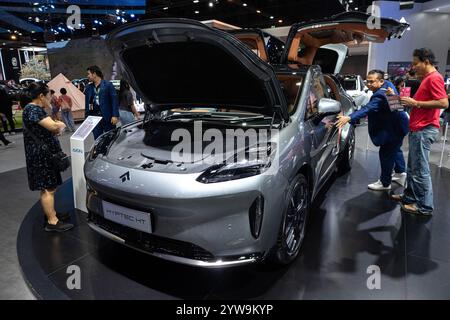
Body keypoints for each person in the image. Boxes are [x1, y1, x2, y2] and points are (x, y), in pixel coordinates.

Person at [391, 48, 449, 216]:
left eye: (416, 63)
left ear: (426, 62)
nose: (413, 66)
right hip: (419, 128)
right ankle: (409, 197)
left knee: (420, 170)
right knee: (413, 167)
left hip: (425, 129)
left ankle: (424, 206)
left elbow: (443, 103)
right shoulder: (428, 78)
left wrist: (415, 103)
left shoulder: (434, 78)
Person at [336, 69, 409, 191]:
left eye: (371, 82)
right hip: (399, 126)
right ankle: (400, 173)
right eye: (367, 81)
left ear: (381, 81)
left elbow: (368, 109)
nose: (368, 84)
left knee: (386, 154)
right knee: (395, 150)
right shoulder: (388, 85)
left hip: (392, 129)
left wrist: (349, 117)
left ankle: (385, 183)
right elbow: (395, 104)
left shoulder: (380, 94)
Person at [21, 82, 73, 232]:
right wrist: (60, 125)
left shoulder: (32, 109)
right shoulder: (34, 110)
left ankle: (52, 214)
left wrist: (56, 124)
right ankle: (52, 221)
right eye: (48, 95)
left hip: (41, 155)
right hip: (42, 156)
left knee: (48, 187)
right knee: (48, 188)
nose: (50, 98)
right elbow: (54, 126)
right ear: (41, 96)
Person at [84, 66, 119, 139]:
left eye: (89, 74)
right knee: (97, 139)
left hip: (108, 117)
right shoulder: (88, 87)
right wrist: (87, 118)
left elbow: (114, 101)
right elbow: (87, 104)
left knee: (111, 138)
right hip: (94, 118)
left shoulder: (108, 85)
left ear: (94, 74)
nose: (88, 76)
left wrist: (115, 115)